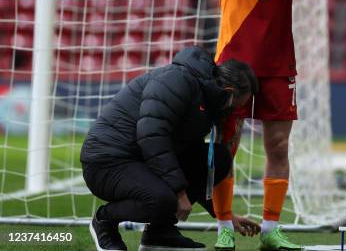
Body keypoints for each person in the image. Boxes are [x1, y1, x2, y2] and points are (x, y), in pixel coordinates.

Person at [212, 0, 318, 250]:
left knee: (277, 145)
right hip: (232, 63)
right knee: (227, 145)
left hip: (276, 63)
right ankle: (223, 226)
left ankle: (271, 231)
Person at [81, 46, 261, 251]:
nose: (232, 111)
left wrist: (224, 215)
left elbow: (188, 158)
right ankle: (104, 221)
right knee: (163, 200)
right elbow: (152, 136)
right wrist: (179, 192)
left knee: (218, 159)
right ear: (228, 92)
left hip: (140, 158)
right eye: (235, 105)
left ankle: (159, 233)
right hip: (108, 161)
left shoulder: (204, 97)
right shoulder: (176, 80)